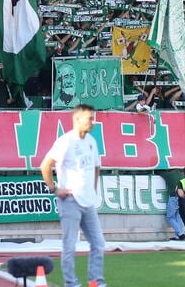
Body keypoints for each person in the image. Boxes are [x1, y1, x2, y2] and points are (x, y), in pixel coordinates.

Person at [40, 104, 106, 287]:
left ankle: (96, 282)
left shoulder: (91, 141)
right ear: (77, 119)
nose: (93, 121)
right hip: (70, 200)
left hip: (88, 201)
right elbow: (45, 165)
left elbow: (96, 167)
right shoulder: (65, 141)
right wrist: (54, 189)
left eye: (93, 118)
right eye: (89, 118)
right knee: (69, 245)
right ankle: (71, 284)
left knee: (99, 243)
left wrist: (92, 190)